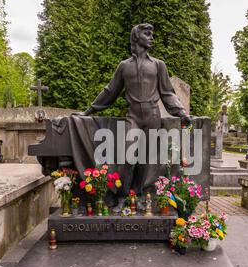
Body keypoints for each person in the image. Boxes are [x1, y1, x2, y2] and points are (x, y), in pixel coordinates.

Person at [79, 23, 192, 211]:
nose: (151, 37)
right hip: (133, 115)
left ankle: (138, 195)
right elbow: (110, 91)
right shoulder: (124, 66)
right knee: (127, 156)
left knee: (146, 160)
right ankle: (122, 196)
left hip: (152, 114)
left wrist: (181, 112)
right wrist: (88, 111)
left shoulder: (158, 65)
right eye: (147, 34)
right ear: (136, 37)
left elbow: (168, 93)